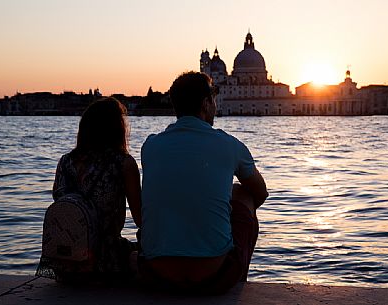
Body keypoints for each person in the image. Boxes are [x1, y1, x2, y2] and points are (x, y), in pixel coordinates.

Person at [139, 72, 268, 293]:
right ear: (206, 103)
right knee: (242, 193)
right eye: (214, 100)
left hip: (158, 276)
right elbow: (260, 193)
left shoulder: (150, 146)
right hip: (215, 278)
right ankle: (239, 279)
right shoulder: (230, 145)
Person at [37, 97, 142, 282]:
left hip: (65, 263)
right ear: (117, 128)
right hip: (106, 263)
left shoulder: (65, 161)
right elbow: (140, 219)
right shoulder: (123, 163)